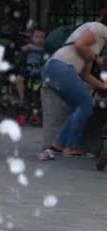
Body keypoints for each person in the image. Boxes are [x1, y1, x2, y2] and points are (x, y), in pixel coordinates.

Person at [42, 18, 107, 156]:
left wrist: (103, 86)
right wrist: (97, 60)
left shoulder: (98, 46)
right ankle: (70, 147)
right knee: (86, 104)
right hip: (61, 67)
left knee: (81, 105)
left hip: (53, 68)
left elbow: (85, 75)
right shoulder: (100, 28)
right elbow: (79, 44)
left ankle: (59, 144)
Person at [15, 26, 46, 127]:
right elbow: (21, 52)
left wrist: (30, 47)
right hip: (28, 71)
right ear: (32, 38)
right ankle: (22, 99)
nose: (40, 39)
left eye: (42, 37)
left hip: (40, 72)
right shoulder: (28, 47)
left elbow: (43, 50)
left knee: (41, 90)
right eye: (37, 37)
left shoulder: (44, 48)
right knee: (19, 79)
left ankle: (38, 110)